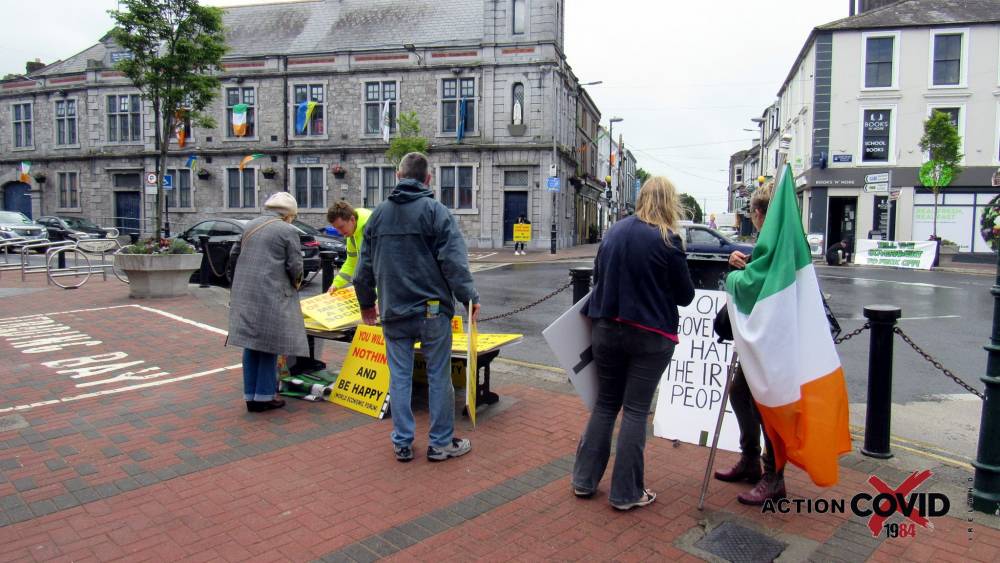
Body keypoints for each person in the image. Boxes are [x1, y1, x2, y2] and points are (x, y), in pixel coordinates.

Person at [572, 176, 695, 511]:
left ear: (641, 198)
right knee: (636, 410)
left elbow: (598, 277)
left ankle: (584, 480)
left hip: (606, 329)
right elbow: (685, 296)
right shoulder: (667, 239)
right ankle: (626, 492)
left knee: (606, 404)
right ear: (670, 202)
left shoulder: (613, 232)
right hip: (650, 334)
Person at [354, 152, 481, 463]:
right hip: (432, 311)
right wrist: (470, 298)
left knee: (399, 377)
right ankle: (440, 444)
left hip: (394, 311)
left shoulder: (378, 216)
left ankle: (402, 441)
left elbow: (362, 271)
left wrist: (367, 304)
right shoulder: (436, 212)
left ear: (398, 177)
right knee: (439, 376)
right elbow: (453, 263)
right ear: (428, 179)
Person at [714, 183, 786, 505]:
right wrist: (740, 265)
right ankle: (750, 460)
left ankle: (773, 476)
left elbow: (757, 284)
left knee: (767, 407)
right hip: (763, 338)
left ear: (757, 215)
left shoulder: (776, 242)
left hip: (771, 339)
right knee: (741, 393)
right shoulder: (776, 240)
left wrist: (734, 276)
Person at [227, 192, 309, 413]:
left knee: (251, 344)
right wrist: (296, 284)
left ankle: (250, 395)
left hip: (245, 293)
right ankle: (264, 396)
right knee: (269, 345)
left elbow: (234, 256)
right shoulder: (288, 230)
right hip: (270, 293)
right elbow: (296, 266)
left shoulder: (249, 225)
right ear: (289, 214)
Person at [326, 200, 372, 291]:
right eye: (336, 229)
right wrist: (336, 284)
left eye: (341, 227)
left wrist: (378, 298)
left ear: (352, 219)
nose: (340, 232)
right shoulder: (351, 234)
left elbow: (385, 268)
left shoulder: (373, 227)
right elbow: (351, 262)